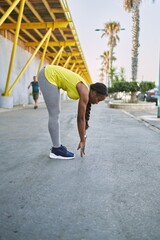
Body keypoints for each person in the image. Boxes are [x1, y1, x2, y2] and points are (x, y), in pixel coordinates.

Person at [38, 65, 108, 159]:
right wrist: (82, 140)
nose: (97, 102)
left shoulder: (87, 88)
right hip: (48, 75)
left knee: (56, 113)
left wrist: (84, 137)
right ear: (94, 93)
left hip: (51, 75)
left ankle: (57, 147)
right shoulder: (84, 91)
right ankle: (56, 150)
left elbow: (84, 119)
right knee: (54, 113)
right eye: (98, 99)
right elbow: (80, 119)